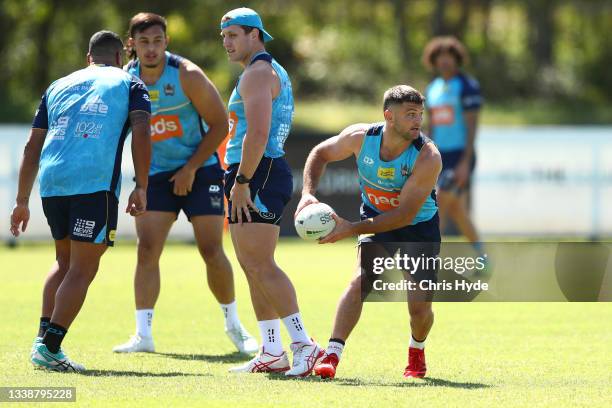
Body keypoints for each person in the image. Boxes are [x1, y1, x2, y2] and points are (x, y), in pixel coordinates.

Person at [113, 12, 257, 355]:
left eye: (158, 41)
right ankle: (143, 336)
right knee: (147, 249)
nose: (151, 49)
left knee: (210, 249)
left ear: (167, 42)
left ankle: (235, 327)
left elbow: (221, 125)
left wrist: (191, 168)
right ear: (131, 45)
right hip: (156, 175)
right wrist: (140, 181)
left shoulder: (187, 76)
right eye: (144, 42)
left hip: (201, 169)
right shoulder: (124, 80)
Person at [10, 30, 152, 371]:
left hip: (53, 181)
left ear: (89, 57)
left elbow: (32, 146)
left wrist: (21, 200)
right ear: (120, 58)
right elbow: (143, 131)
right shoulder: (129, 83)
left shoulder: (57, 85)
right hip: (94, 183)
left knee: (63, 261)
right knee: (83, 268)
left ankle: (42, 341)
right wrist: (141, 185)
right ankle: (51, 347)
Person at [296, 85, 442, 379]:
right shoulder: (360, 138)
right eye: (410, 114)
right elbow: (319, 153)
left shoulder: (428, 156)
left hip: (419, 228)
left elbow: (404, 215)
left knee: (419, 307)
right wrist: (307, 194)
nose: (418, 121)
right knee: (360, 281)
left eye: (420, 114)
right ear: (389, 115)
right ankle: (332, 355)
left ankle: (417, 349)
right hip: (376, 219)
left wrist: (351, 228)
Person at [220, 7, 323, 376]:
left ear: (255, 35)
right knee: (251, 266)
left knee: (261, 265)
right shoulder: (263, 70)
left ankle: (304, 345)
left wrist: (242, 182)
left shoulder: (258, 73)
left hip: (257, 173)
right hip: (255, 170)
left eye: (234, 35)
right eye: (224, 37)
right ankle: (272, 350)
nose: (227, 43)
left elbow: (258, 134)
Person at [422, 36, 484, 257]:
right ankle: (483, 258)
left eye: (450, 57)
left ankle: (427, 261)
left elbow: (472, 125)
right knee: (457, 211)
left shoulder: (467, 86)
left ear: (457, 60)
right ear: (434, 61)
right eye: (440, 58)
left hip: (460, 156)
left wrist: (466, 161)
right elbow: (431, 128)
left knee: (437, 204)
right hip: (439, 158)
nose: (445, 62)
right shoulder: (432, 89)